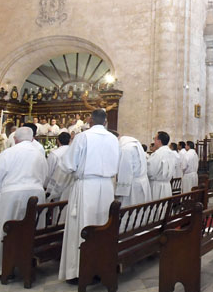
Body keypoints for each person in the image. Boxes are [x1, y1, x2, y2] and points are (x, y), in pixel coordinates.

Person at [0, 127, 48, 280]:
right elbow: (44, 176)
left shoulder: (9, 153)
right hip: (36, 194)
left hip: (12, 196)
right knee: (29, 231)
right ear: (32, 138)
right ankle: (26, 262)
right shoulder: (39, 154)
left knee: (5, 231)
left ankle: (1, 269)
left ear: (15, 138)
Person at [58, 109, 119, 282]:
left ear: (90, 120)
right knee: (103, 225)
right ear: (105, 122)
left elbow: (68, 164)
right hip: (107, 187)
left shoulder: (83, 137)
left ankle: (78, 271)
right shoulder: (113, 139)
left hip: (86, 186)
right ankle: (100, 267)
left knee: (83, 226)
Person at [116, 136, 151, 206]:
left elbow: (125, 171)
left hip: (133, 186)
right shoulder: (136, 144)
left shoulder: (125, 149)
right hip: (142, 181)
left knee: (131, 207)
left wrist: (121, 190)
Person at [45, 132, 75, 201]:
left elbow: (49, 172)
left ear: (58, 141)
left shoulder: (54, 154)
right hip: (70, 186)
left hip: (56, 185)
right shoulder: (73, 152)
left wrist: (46, 186)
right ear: (70, 140)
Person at [148, 131, 175, 200]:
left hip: (157, 186)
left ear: (159, 141)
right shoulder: (171, 153)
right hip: (167, 186)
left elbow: (150, 172)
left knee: (156, 205)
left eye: (154, 139)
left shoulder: (158, 154)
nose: (154, 141)